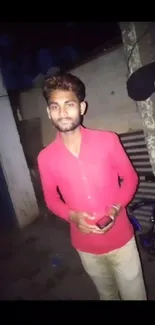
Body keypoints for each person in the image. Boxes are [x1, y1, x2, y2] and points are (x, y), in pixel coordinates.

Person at [37, 72, 147, 300]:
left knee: (135, 296)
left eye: (69, 104)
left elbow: (131, 178)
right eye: (55, 106)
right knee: (107, 296)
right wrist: (72, 216)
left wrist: (116, 208)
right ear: (49, 112)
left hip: (122, 241)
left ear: (82, 107)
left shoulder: (108, 140)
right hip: (85, 246)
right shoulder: (45, 157)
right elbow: (51, 198)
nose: (63, 112)